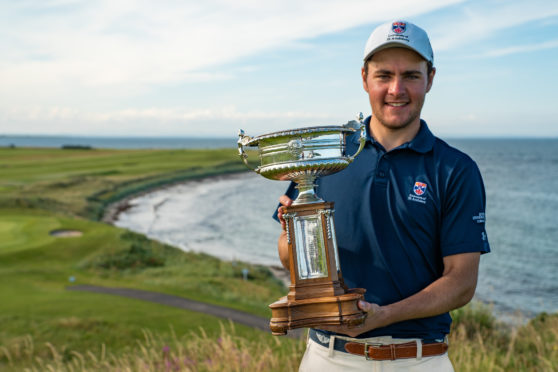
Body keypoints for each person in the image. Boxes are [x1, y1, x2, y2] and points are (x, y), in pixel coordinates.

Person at [275, 20, 490, 371]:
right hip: (328, 358)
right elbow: (289, 258)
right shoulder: (327, 157)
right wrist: (293, 237)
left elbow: (462, 283)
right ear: (364, 79)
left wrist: (385, 316)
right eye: (384, 75)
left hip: (420, 361)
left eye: (411, 76)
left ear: (430, 79)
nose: (396, 89)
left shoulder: (456, 170)